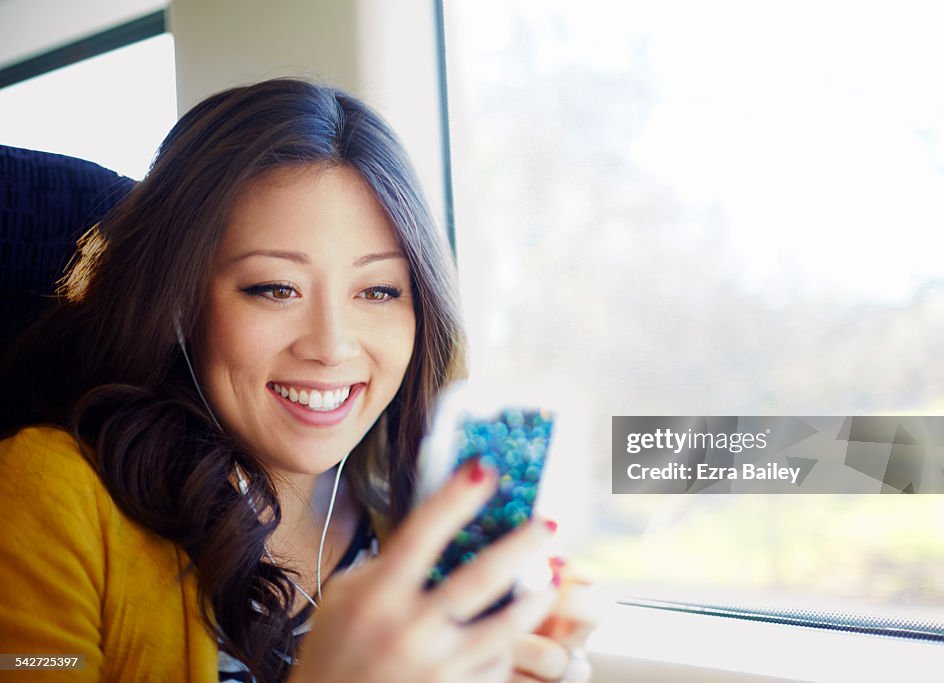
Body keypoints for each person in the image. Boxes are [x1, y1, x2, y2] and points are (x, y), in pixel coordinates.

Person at [0, 78, 592, 683]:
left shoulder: (408, 518)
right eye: (274, 289)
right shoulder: (48, 493)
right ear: (179, 303)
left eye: (378, 291)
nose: (331, 346)